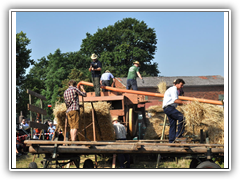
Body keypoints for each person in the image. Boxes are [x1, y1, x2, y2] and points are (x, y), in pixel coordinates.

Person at [162, 79, 190, 143]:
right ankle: (179, 136)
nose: (182, 86)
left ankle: (171, 141)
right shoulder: (174, 89)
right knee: (182, 118)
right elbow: (175, 100)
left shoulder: (175, 90)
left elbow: (175, 102)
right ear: (177, 84)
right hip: (169, 108)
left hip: (168, 108)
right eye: (181, 85)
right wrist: (186, 103)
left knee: (173, 124)